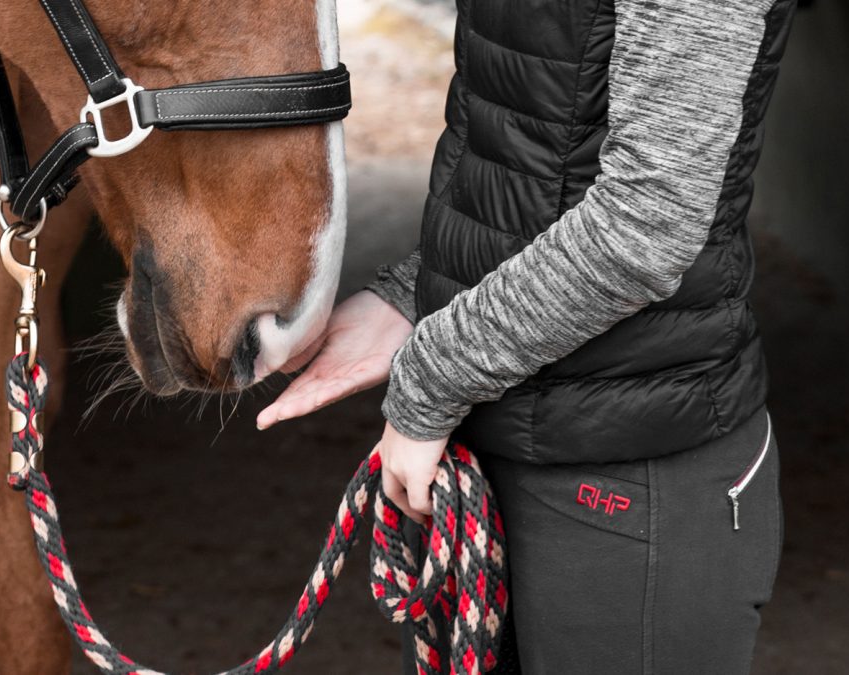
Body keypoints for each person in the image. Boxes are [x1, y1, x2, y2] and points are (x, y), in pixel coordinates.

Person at [258, 0, 797, 671]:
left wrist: (432, 375)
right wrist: (419, 292)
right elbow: (523, 134)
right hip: (487, 442)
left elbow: (646, 227)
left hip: (629, 464)